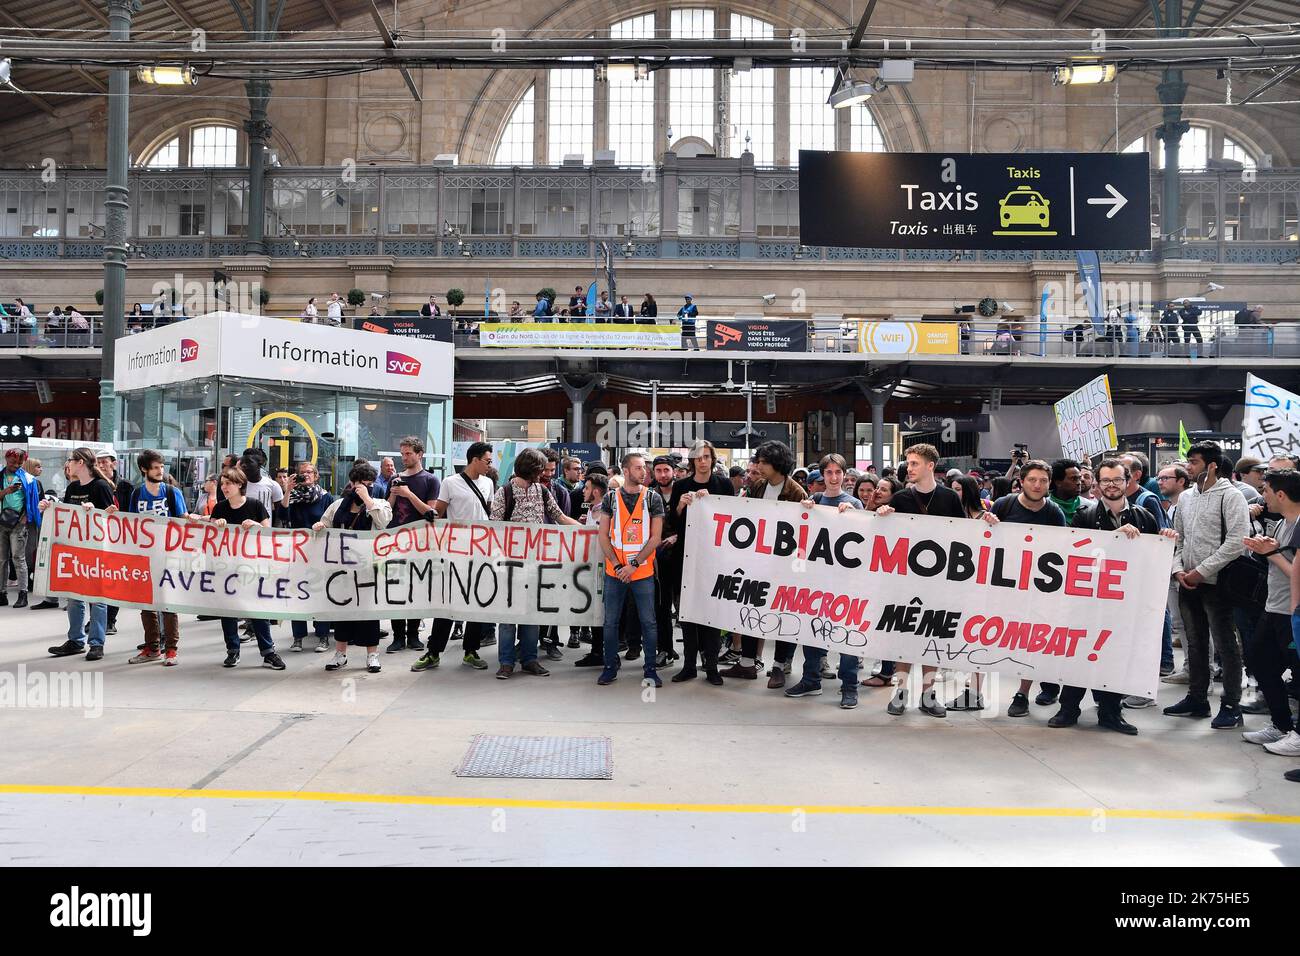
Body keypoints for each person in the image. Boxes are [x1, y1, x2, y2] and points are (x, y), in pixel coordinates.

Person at [1049, 458, 1177, 735]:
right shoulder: (1085, 515)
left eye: (1117, 480)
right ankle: (1068, 708)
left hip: (1126, 603)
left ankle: (1110, 712)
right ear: (1095, 484)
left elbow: (1153, 559)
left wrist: (1165, 538)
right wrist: (1113, 538)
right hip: (1089, 602)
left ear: (1128, 481)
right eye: (1105, 480)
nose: (1111, 485)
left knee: (1115, 657)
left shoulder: (1145, 517)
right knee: (1079, 655)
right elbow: (1078, 554)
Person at [951, 459, 1067, 715]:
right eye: (1032, 480)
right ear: (1021, 482)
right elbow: (983, 541)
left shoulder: (1054, 513)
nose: (1038, 485)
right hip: (1001, 587)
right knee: (986, 635)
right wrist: (988, 524)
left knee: (1029, 641)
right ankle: (974, 692)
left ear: (1049, 484)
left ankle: (1022, 694)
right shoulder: (1005, 504)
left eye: (1043, 481)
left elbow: (1062, 550)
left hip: (1036, 590)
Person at [874, 444, 967, 717]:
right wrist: (881, 517)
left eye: (914, 463)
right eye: (908, 463)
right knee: (905, 636)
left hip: (939, 581)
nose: (909, 468)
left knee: (932, 637)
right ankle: (900, 692)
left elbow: (964, 535)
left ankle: (927, 695)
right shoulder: (901, 498)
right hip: (906, 581)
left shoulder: (949, 498)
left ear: (930, 466)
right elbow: (878, 533)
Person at [1166, 441, 1248, 728]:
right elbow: (1178, 537)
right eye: (1188, 461)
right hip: (1187, 582)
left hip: (1218, 583)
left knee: (1227, 645)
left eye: (1195, 462)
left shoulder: (1231, 496)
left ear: (1212, 465)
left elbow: (1236, 543)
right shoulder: (1186, 498)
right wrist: (1178, 570)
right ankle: (1197, 698)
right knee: (1195, 641)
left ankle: (1231, 705)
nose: (1189, 466)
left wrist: (1201, 571)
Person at [720, 441, 808, 686]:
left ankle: (779, 665)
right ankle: (747, 662)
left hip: (784, 563)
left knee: (782, 613)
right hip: (758, 560)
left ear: (776, 464)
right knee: (752, 607)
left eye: (762, 462)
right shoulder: (758, 486)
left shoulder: (797, 492)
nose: (758, 466)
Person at [490, 448, 579, 679]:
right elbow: (494, 528)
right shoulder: (505, 492)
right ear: (531, 468)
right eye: (541, 468)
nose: (545, 473)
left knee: (533, 614)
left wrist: (587, 532)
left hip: (536, 564)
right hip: (509, 565)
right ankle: (506, 662)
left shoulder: (543, 491)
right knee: (508, 617)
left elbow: (559, 517)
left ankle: (529, 660)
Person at [412, 441, 496, 673]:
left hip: (482, 551)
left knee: (477, 603)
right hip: (456, 552)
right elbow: (438, 513)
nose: (490, 465)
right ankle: (434, 651)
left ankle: (471, 650)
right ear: (475, 459)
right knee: (448, 602)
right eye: (488, 461)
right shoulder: (450, 482)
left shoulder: (489, 483)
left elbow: (489, 514)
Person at [193, 467, 286, 669]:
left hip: (252, 567)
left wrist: (255, 524)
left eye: (228, 483)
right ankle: (232, 650)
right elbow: (210, 537)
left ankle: (268, 651)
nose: (224, 487)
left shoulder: (255, 505)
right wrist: (215, 525)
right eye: (223, 484)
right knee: (228, 610)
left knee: (257, 609)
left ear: (240, 484)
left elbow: (268, 533)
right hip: (226, 567)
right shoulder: (220, 508)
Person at [1239, 468, 1300, 757]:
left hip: (1291, 613)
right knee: (1259, 662)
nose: (1262, 497)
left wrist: (1271, 554)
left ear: (1280, 494)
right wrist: (1269, 548)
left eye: (1266, 491)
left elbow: (1294, 573)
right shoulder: (1283, 524)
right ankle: (1281, 724)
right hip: (1273, 608)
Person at [313, 461, 392, 674]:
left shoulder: (379, 503)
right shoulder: (338, 505)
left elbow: (383, 522)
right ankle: (341, 653)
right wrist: (320, 526)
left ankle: (372, 655)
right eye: (362, 485)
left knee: (368, 612)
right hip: (341, 569)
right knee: (342, 611)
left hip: (368, 568)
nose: (367, 488)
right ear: (352, 483)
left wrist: (367, 499)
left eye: (370, 485)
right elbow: (325, 524)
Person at [597, 452, 665, 688]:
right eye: (638, 468)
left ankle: (650, 670)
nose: (643, 471)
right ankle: (609, 666)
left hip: (642, 571)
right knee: (611, 622)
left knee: (649, 622)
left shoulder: (653, 499)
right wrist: (618, 566)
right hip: (615, 571)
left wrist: (632, 565)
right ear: (625, 471)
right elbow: (603, 536)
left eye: (644, 467)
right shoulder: (610, 499)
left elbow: (656, 538)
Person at [668, 440, 735, 684]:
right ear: (693, 461)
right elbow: (672, 523)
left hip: (715, 559)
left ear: (712, 459)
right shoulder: (681, 485)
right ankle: (688, 665)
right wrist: (681, 505)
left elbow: (733, 520)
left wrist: (712, 501)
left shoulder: (723, 484)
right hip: (686, 556)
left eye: (707, 456)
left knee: (712, 615)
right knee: (687, 614)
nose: (703, 461)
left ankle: (712, 666)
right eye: (699, 457)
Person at [43, 448, 116, 661]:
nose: (69, 465)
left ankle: (96, 642)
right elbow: (66, 515)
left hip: (97, 550)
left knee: (97, 598)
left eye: (71, 461)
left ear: (81, 462)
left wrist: (95, 511)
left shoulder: (101, 486)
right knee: (74, 596)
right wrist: (50, 508)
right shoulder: (73, 487)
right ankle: (76, 640)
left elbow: (111, 517)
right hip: (75, 549)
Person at [125, 450, 188, 666]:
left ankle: (171, 649)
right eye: (155, 467)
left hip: (169, 555)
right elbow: (131, 524)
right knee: (146, 604)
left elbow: (183, 522)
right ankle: (152, 647)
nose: (160, 471)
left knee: (168, 603)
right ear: (144, 469)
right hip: (145, 556)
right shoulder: (136, 494)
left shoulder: (171, 492)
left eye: (162, 467)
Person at [386, 435, 440, 653]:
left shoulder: (430, 480)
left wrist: (408, 494)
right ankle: (398, 635)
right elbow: (388, 511)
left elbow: (431, 512)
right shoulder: (396, 479)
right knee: (396, 589)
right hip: (396, 540)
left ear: (419, 454)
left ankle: (413, 634)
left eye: (408, 453)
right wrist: (393, 494)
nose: (405, 458)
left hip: (419, 542)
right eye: (402, 454)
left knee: (416, 588)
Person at [286, 461, 336, 652]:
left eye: (309, 472)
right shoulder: (293, 496)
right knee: (297, 593)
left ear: (316, 476)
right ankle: (298, 637)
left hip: (319, 553)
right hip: (297, 552)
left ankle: (323, 636)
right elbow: (283, 514)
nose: (306, 475)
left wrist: (323, 526)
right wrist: (287, 491)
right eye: (302, 473)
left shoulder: (326, 498)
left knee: (320, 593)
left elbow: (333, 521)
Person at [0, 448, 42, 608]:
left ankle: (22, 594)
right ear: (6, 459)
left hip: (19, 523)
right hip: (1, 522)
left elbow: (32, 503)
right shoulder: (1, 476)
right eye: (12, 462)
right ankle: (2, 593)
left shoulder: (30, 480)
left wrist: (25, 518)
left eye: (19, 462)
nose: (16, 465)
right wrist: (7, 491)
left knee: (18, 558)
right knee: (2, 560)